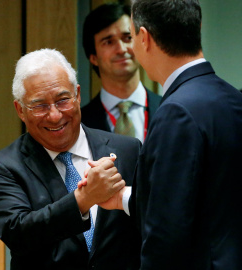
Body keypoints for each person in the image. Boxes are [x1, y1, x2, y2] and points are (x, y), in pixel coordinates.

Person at [94, 0, 242, 269]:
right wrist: (124, 197)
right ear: (197, 26)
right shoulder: (234, 97)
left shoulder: (176, 111)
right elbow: (208, 197)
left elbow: (167, 229)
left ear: (144, 38)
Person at [0, 48, 141, 269]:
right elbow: (18, 234)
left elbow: (151, 221)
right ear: (20, 110)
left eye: (63, 100)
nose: (55, 115)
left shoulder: (127, 150)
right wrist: (84, 199)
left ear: (77, 95)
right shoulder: (1, 167)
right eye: (39, 106)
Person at [81, 3, 161, 143]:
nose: (121, 49)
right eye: (109, 42)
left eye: (128, 38)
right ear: (93, 57)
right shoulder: (80, 123)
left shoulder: (170, 108)